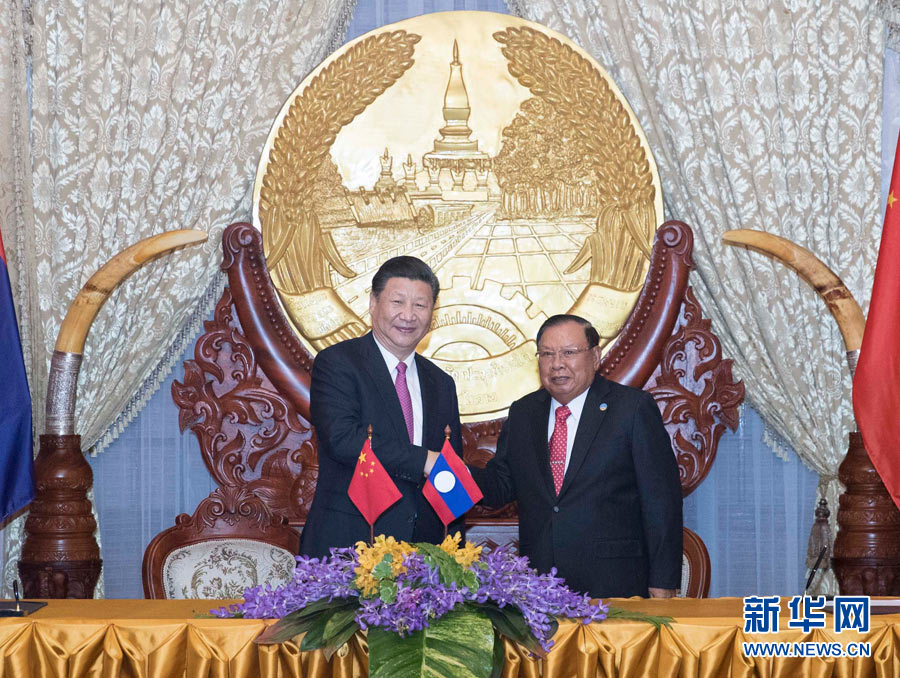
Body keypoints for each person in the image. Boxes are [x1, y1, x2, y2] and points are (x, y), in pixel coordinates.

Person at [469, 314, 682, 598]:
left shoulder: (631, 409)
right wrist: (449, 471)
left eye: (569, 353)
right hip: (540, 586)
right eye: (547, 354)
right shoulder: (524, 413)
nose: (557, 364)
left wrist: (663, 582)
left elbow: (661, 502)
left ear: (595, 357)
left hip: (615, 584)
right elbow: (501, 485)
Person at [299, 256, 463, 557]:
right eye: (397, 302)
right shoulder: (338, 363)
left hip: (423, 555)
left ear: (432, 313)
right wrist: (424, 460)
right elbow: (343, 439)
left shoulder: (441, 383)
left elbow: (448, 469)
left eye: (420, 305)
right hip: (351, 546)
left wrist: (454, 555)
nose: (408, 315)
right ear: (373, 303)